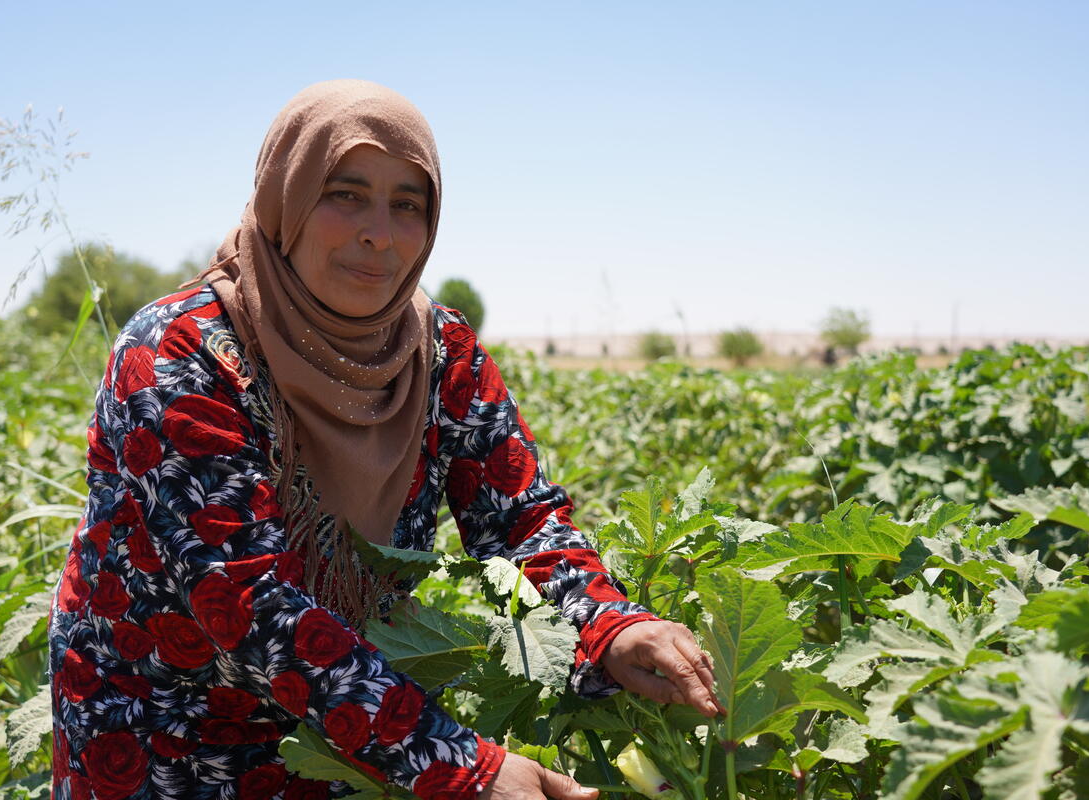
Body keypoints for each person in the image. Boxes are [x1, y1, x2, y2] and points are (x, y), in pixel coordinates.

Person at [48, 79, 720, 800]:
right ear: (288, 198)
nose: (380, 232)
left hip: (352, 734)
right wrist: (464, 768)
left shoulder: (439, 352)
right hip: (162, 731)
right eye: (346, 193)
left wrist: (609, 625)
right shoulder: (180, 353)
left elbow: (519, 521)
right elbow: (244, 604)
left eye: (408, 204)